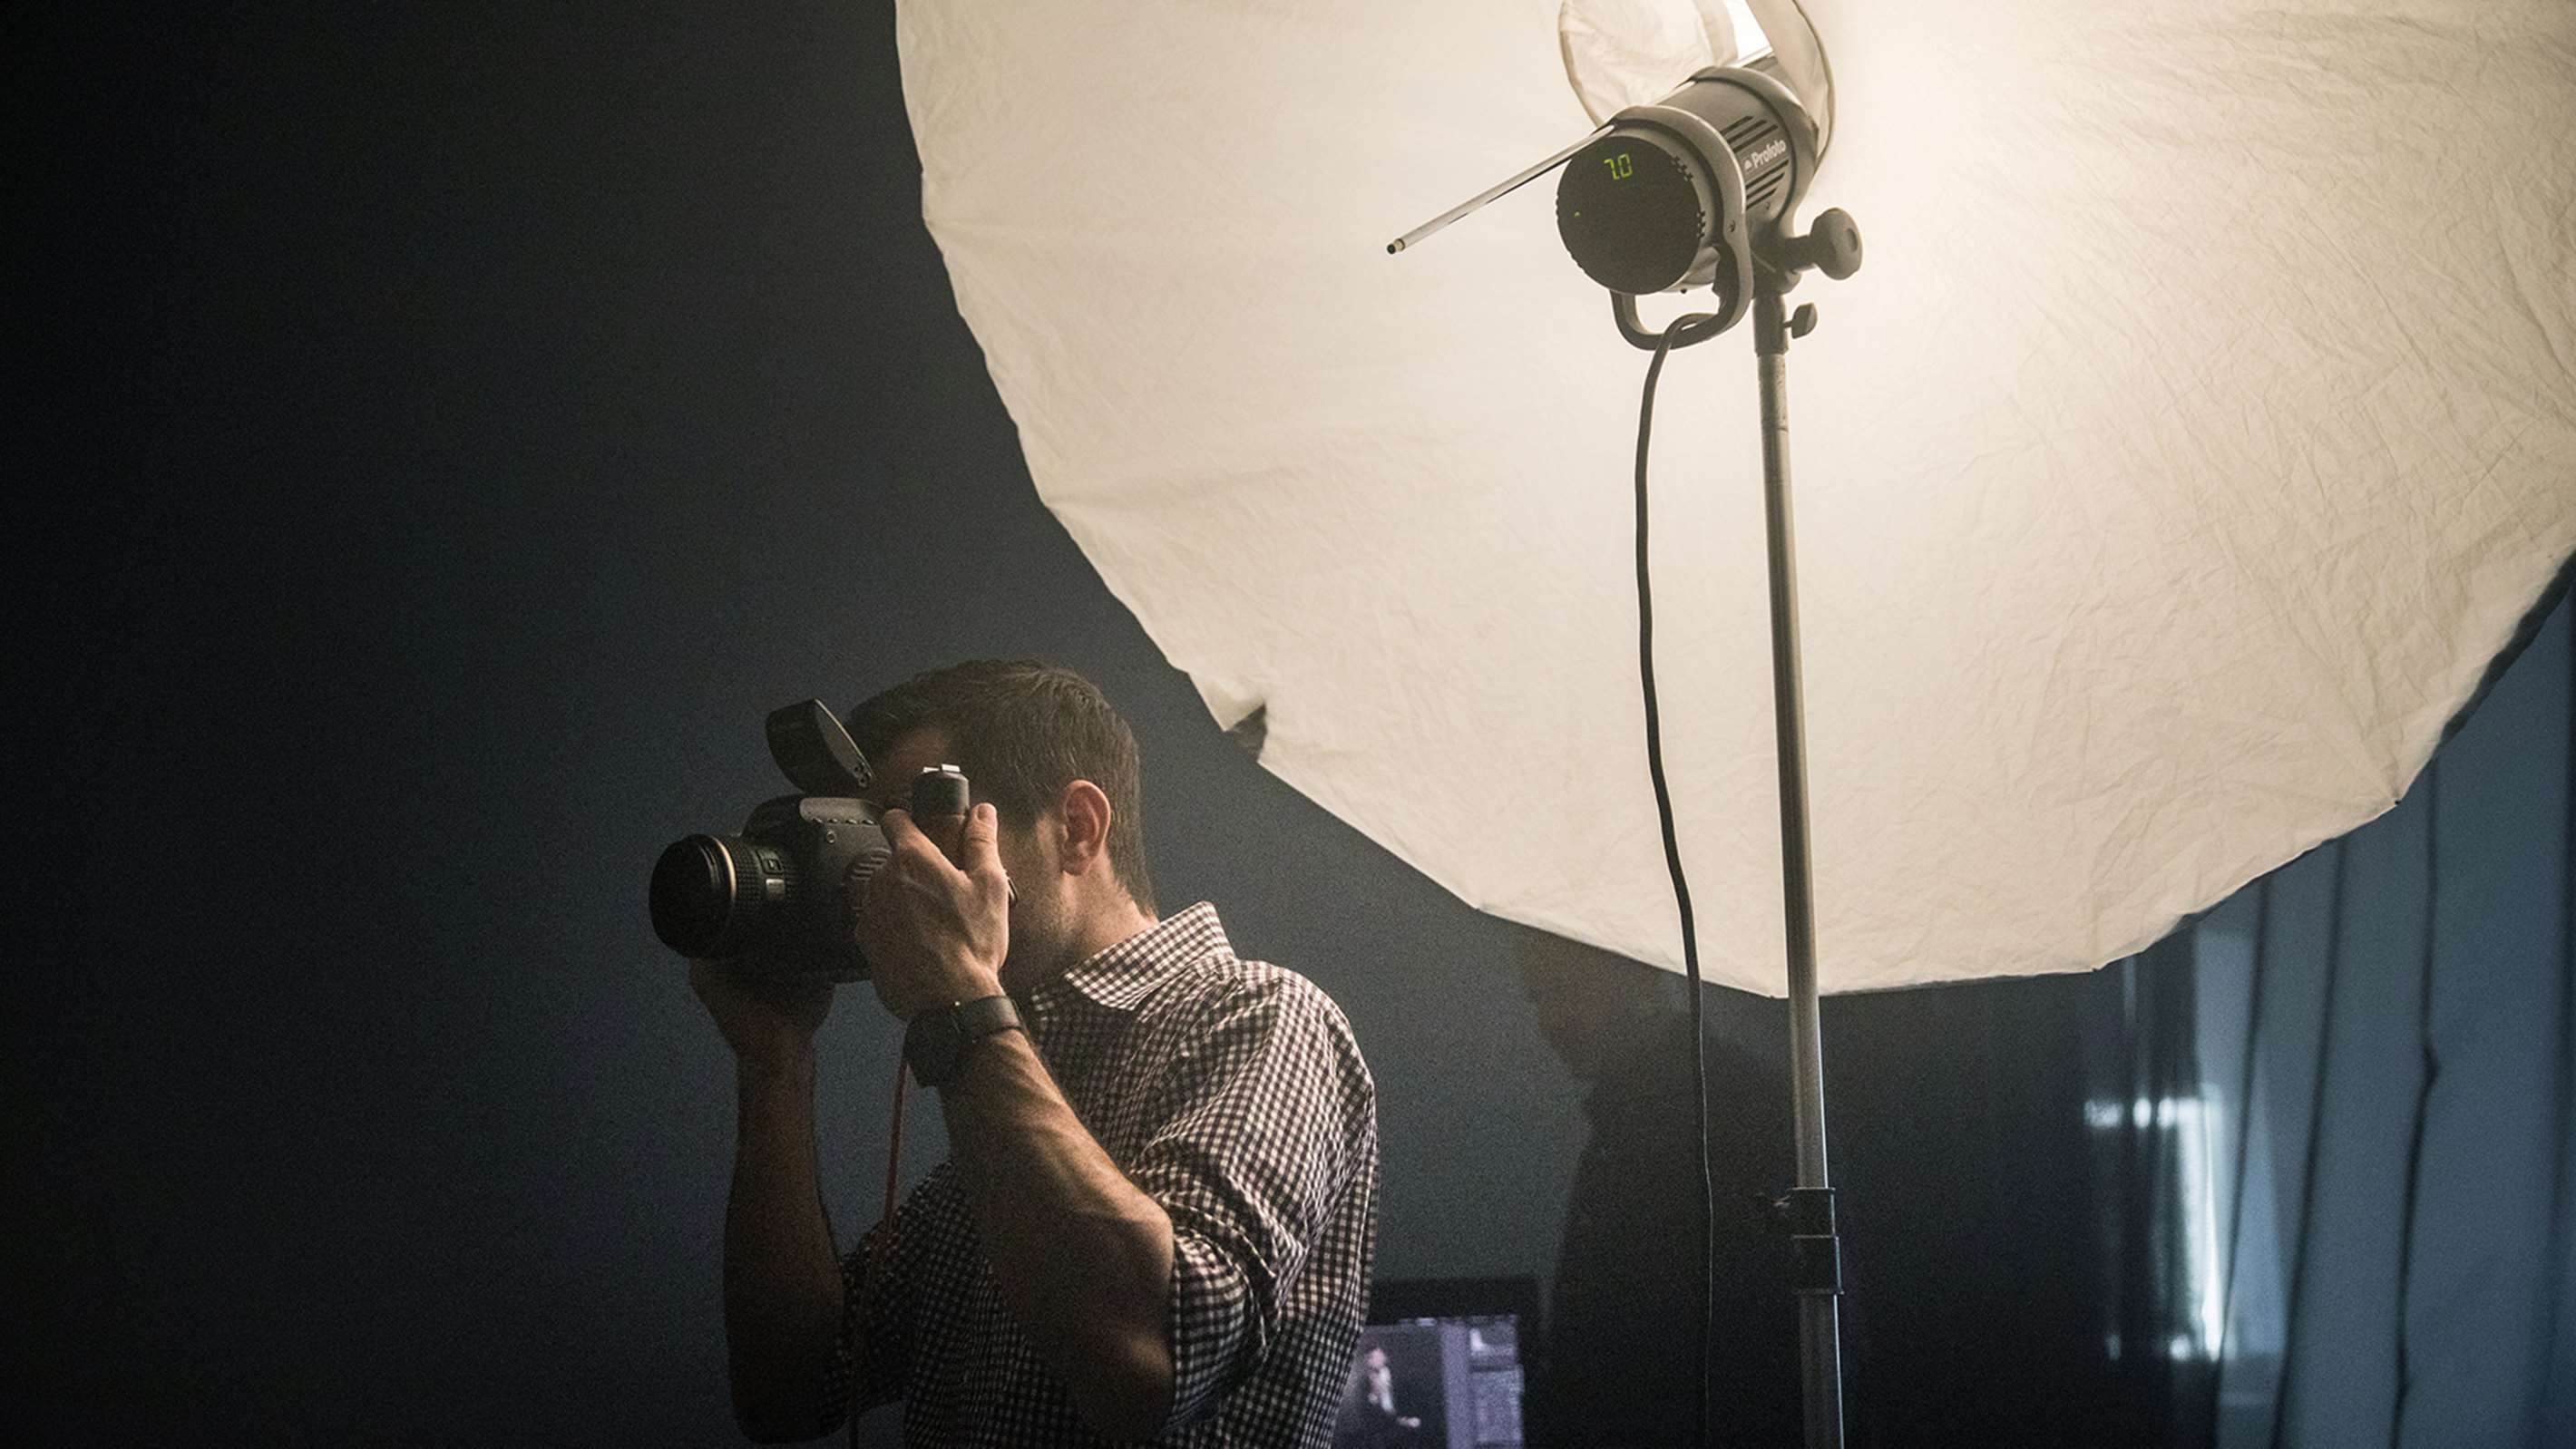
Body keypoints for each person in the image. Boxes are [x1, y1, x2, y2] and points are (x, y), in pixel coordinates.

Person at [688, 660, 1379, 1446]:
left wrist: (959, 994)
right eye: (877, 842)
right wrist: (774, 1063)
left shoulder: (1263, 1015)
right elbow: (790, 1390)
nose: (891, 879)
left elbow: (1147, 1361)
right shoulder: (1010, 1077)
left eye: (922, 830)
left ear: (1077, 829)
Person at [1512, 926, 1801, 1448]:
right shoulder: (1661, 1109)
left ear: (1638, 978)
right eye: (1540, 999)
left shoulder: (1711, 1111)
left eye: (1568, 992)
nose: (1551, 1021)